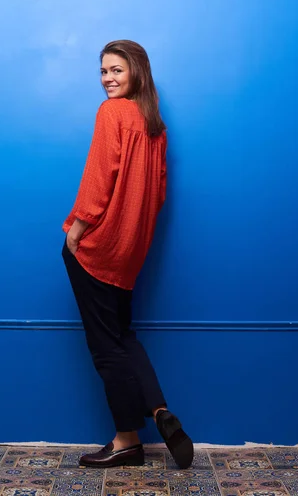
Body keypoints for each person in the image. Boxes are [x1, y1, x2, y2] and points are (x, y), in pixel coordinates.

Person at [62, 40, 193, 469]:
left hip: (99, 249)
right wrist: (132, 236)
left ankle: (125, 441)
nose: (107, 79)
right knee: (123, 337)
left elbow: (100, 178)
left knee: (106, 349)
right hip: (130, 253)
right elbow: (157, 195)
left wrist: (77, 229)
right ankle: (159, 410)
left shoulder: (112, 113)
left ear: (138, 70)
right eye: (103, 71)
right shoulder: (155, 125)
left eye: (116, 70)